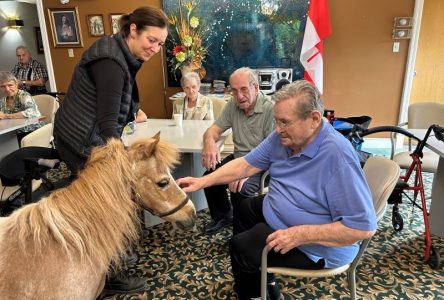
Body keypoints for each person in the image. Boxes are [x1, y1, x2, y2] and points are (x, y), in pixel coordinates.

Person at [177, 80, 377, 300]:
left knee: (240, 247)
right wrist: (202, 182)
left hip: (315, 245)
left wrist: (300, 234)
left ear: (314, 119)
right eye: (276, 121)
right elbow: (246, 164)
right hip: (283, 212)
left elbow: (361, 228)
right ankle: (258, 276)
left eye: (285, 122)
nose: (278, 129)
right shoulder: (283, 138)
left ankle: (254, 284)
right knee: (245, 208)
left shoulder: (337, 157)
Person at [53, 6, 169, 294]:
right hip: (81, 141)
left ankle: (110, 263)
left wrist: (133, 110)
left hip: (78, 133)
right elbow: (106, 123)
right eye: (151, 40)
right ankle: (108, 276)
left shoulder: (117, 50)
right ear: (133, 30)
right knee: (110, 205)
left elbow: (113, 100)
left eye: (160, 43)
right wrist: (119, 169)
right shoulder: (111, 61)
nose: (155, 48)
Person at [200, 67, 274, 234]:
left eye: (243, 89)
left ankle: (242, 233)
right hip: (239, 158)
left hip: (263, 165)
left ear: (256, 88)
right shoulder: (233, 105)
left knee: (239, 188)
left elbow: (273, 152)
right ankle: (224, 217)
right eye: (234, 91)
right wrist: (210, 142)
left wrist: (245, 171)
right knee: (210, 177)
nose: (239, 96)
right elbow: (212, 130)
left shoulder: (270, 109)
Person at [0, 71, 45, 145]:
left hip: (32, 132)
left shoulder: (24, 95)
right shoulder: (2, 101)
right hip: (13, 133)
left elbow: (32, 112)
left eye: (10, 85)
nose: (7, 89)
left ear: (16, 84)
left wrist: (6, 116)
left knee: (5, 143)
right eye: (3, 86)